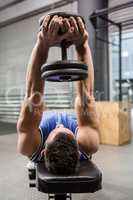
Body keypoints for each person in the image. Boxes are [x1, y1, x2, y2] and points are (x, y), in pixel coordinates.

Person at [17, 14, 100, 175]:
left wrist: (43, 44)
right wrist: (81, 44)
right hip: (73, 122)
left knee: (34, 105)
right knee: (85, 105)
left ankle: (33, 161)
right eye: (64, 130)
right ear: (78, 151)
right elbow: (86, 97)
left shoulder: (31, 146)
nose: (59, 125)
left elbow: (32, 95)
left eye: (56, 130)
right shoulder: (87, 145)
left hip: (43, 122)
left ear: (42, 152)